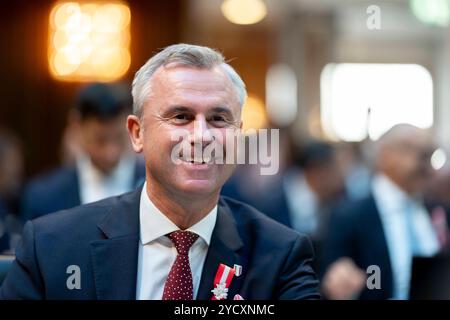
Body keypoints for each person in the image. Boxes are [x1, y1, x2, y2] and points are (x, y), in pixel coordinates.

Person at [0, 44, 319, 300]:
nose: (202, 136)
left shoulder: (280, 258)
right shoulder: (51, 247)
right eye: (181, 116)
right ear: (137, 134)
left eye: (219, 119)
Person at [321, 124, 439, 300]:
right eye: (413, 150)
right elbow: (331, 279)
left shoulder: (436, 210)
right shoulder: (349, 215)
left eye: (428, 154)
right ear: (385, 154)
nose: (423, 163)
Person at [21, 83, 145, 222]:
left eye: (119, 139)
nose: (111, 153)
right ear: (77, 127)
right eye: (100, 141)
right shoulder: (44, 196)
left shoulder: (156, 185)